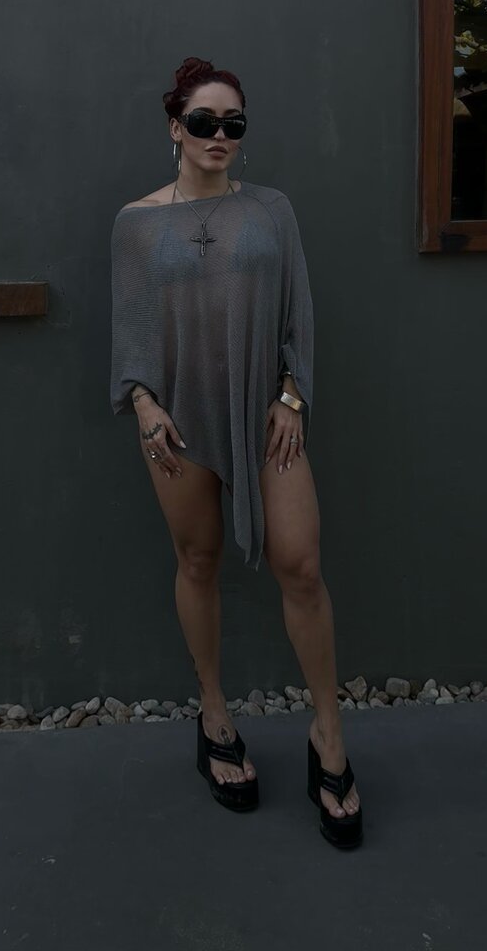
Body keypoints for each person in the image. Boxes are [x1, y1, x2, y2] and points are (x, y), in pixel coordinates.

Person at [109, 56, 362, 848]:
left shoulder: (271, 211)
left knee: (301, 565)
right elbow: (132, 330)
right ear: (175, 127)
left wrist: (292, 396)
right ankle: (214, 718)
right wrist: (145, 406)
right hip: (177, 423)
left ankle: (328, 735)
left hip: (265, 413)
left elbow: (297, 314)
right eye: (203, 121)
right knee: (198, 560)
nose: (218, 134)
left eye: (233, 123)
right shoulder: (136, 224)